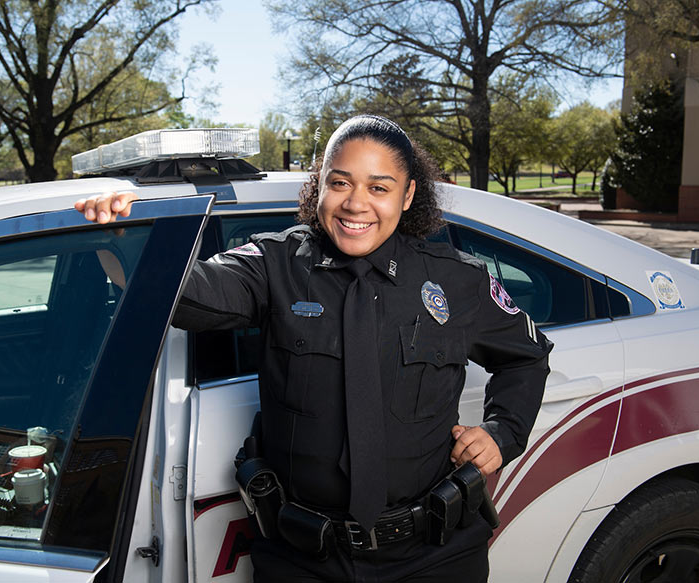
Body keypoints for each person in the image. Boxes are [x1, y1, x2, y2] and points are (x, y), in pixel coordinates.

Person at [76, 115, 552, 582]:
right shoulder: (273, 264)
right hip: (303, 559)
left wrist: (502, 431)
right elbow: (190, 291)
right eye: (340, 183)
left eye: (379, 188)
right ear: (319, 185)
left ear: (407, 195)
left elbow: (527, 355)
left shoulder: (457, 279)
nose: (356, 204)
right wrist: (126, 237)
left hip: (436, 555)